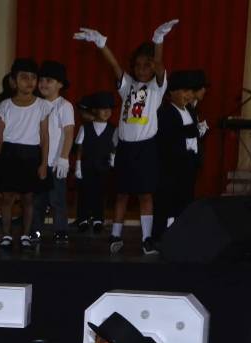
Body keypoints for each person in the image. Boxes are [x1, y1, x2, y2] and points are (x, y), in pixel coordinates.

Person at [75, 18, 179, 255]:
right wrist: (101, 44)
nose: (142, 69)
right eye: (138, 65)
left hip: (145, 148)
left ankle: (147, 238)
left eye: (147, 65)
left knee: (145, 194)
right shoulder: (127, 85)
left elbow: (160, 64)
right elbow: (114, 67)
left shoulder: (157, 87)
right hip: (125, 147)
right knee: (121, 193)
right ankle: (115, 235)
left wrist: (158, 40)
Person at [0, 58, 51, 250]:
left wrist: (43, 163)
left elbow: (44, 136)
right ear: (13, 81)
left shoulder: (42, 105)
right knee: (7, 197)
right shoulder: (5, 106)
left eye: (33, 77)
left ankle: (25, 234)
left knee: (28, 198)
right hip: (9, 153)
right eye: (24, 77)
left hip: (31, 154)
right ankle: (7, 234)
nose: (29, 81)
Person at [31, 60, 76, 243]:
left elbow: (68, 132)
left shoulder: (64, 106)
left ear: (60, 84)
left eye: (49, 80)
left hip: (56, 162)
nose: (43, 84)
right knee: (38, 200)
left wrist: (64, 158)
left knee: (57, 200)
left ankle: (60, 230)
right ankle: (36, 231)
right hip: (39, 161)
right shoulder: (36, 104)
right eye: (41, 80)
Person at [154, 71, 201, 238]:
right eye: (184, 91)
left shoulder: (191, 112)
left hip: (188, 167)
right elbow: (168, 140)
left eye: (190, 92)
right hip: (172, 169)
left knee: (185, 201)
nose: (188, 95)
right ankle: (164, 235)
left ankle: (181, 233)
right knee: (168, 203)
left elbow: (194, 137)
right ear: (172, 92)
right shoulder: (166, 113)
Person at [74, 91, 117, 233]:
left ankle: (98, 219)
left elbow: (114, 148)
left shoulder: (113, 129)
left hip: (103, 167)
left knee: (100, 193)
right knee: (85, 193)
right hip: (87, 166)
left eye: (109, 109)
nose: (106, 112)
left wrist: (113, 163)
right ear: (94, 110)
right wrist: (78, 166)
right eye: (102, 109)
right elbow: (79, 147)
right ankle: (83, 219)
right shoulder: (85, 128)